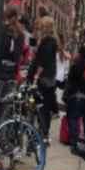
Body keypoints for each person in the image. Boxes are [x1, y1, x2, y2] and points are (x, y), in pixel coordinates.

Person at [27, 16, 60, 144]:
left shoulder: (48, 41)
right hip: (47, 76)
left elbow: (43, 60)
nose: (39, 25)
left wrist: (36, 76)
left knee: (42, 106)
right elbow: (32, 43)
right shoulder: (47, 39)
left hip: (44, 77)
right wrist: (35, 31)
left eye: (41, 24)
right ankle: (42, 133)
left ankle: (43, 133)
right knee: (42, 106)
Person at [63, 45, 85, 146]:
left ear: (81, 54)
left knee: (73, 118)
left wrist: (66, 92)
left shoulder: (77, 66)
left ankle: (73, 140)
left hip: (78, 96)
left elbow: (70, 82)